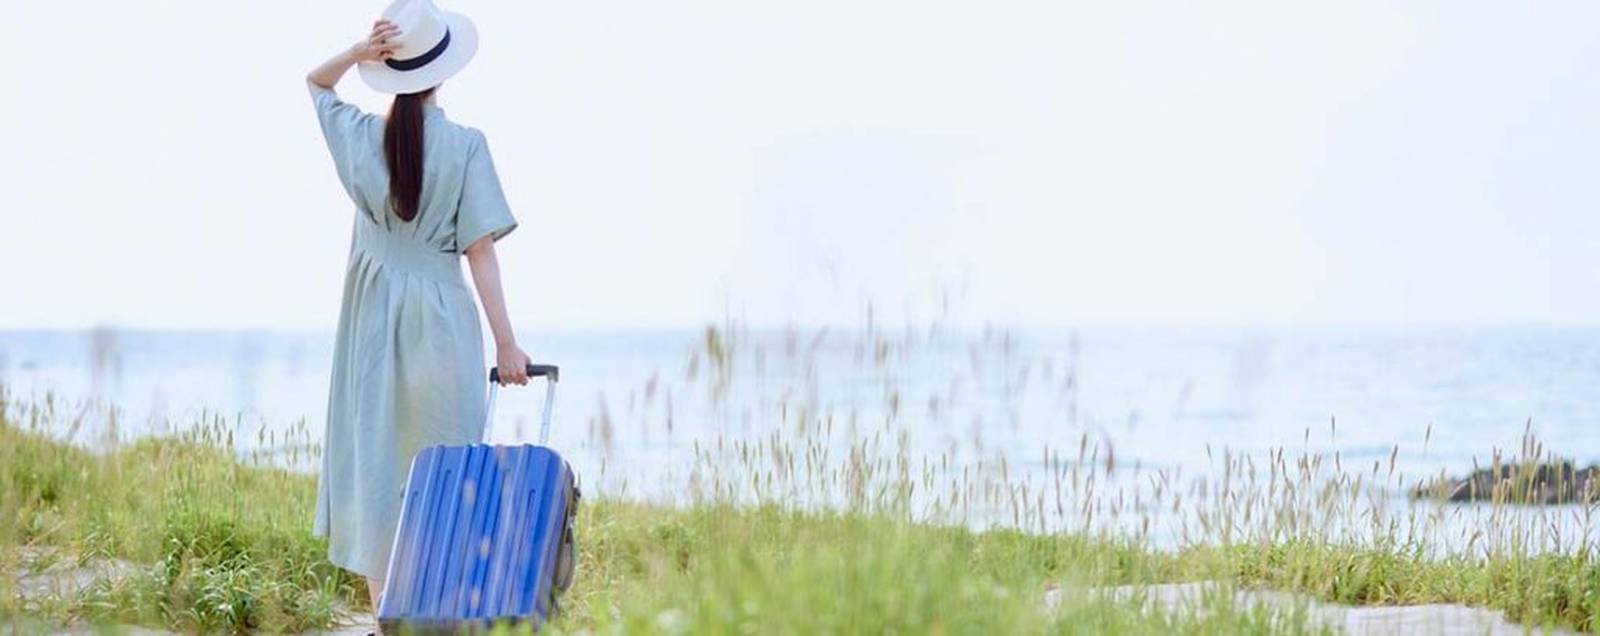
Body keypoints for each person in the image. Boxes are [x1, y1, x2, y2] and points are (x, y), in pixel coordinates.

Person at [304, 0, 533, 611]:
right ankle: (437, 607)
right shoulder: (464, 146)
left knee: (378, 465)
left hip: (372, 326)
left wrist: (356, 55)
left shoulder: (360, 135)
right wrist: (507, 342)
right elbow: (480, 251)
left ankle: (387, 615)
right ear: (443, 70)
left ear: (389, 68)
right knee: (445, 466)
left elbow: (315, 82)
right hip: (443, 328)